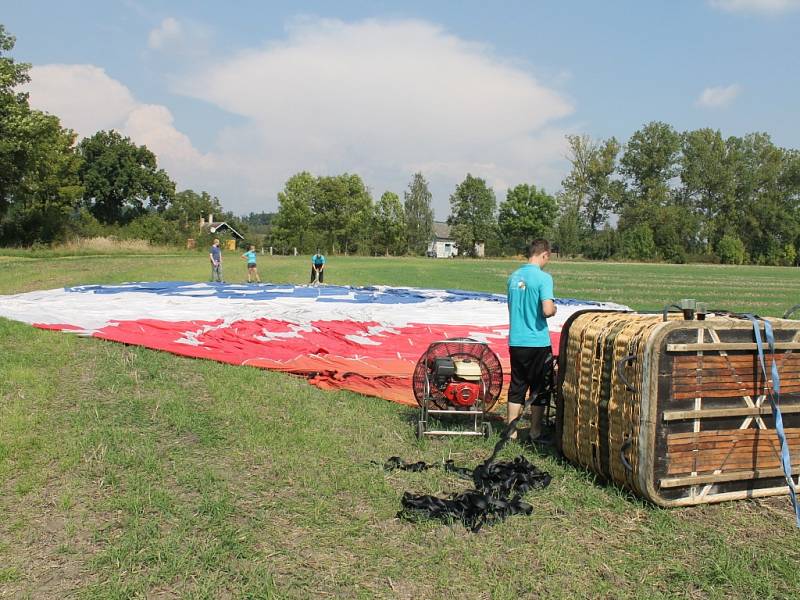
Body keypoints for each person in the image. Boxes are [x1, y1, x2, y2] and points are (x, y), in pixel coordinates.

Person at [506, 239, 557, 442]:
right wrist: (553, 309)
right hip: (537, 342)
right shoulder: (544, 278)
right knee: (539, 388)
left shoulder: (513, 277)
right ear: (544, 255)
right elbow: (546, 309)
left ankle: (511, 431)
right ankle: (535, 431)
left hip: (516, 340)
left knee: (517, 385)